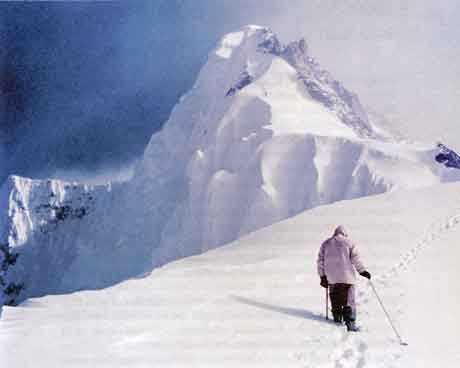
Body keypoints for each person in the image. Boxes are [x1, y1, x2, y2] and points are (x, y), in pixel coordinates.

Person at [317, 225, 371, 331]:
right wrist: (362, 271)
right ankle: (350, 320)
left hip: (332, 278)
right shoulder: (349, 242)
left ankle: (337, 317)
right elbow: (355, 258)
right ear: (345, 233)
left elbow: (320, 261)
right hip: (348, 277)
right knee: (349, 300)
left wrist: (322, 277)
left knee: (335, 297)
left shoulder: (326, 243)